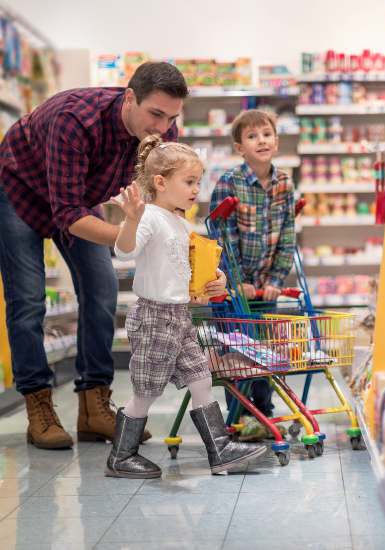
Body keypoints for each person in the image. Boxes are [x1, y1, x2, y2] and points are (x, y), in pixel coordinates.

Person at [0, 62, 226, 450]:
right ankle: (39, 404)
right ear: (130, 98)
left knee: (102, 291)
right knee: (28, 301)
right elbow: (67, 214)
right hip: (19, 190)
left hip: (81, 199)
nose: (163, 126)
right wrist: (133, 236)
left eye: (171, 117)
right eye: (155, 114)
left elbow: (166, 204)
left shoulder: (162, 130)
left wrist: (195, 261)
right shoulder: (73, 120)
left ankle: (94, 406)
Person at [106, 135, 265, 479]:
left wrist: (218, 277)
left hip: (180, 316)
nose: (196, 189)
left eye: (198, 182)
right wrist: (130, 220)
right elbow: (124, 251)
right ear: (161, 183)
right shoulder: (148, 216)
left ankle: (219, 448)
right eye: (189, 182)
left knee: (201, 378)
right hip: (154, 317)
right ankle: (121, 455)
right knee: (146, 391)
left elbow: (191, 266)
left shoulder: (180, 221)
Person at [210, 109, 296, 440]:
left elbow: (287, 236)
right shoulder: (229, 183)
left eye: (266, 134)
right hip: (235, 292)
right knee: (239, 353)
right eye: (251, 136)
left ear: (276, 140)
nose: (261, 140)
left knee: (266, 350)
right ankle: (239, 416)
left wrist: (276, 280)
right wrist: (235, 283)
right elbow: (220, 237)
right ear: (239, 147)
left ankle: (265, 412)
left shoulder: (285, 183)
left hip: (266, 290)